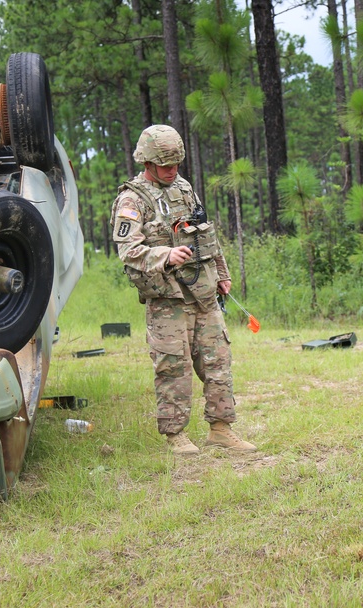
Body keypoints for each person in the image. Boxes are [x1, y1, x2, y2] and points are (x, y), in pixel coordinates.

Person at [110, 124, 256, 456]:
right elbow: (128, 252)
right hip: (167, 298)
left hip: (202, 291)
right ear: (147, 162)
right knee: (173, 366)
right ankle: (175, 435)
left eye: (176, 163)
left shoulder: (183, 188)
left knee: (217, 360)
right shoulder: (132, 200)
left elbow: (205, 233)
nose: (172, 170)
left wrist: (221, 272)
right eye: (165, 165)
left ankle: (221, 429)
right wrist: (165, 254)